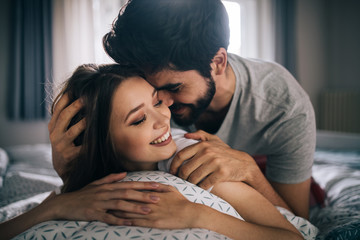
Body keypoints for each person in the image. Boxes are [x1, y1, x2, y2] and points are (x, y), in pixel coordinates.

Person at [50, 0, 316, 219]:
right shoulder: (149, 86)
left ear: (218, 63)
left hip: (269, 174)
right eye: (153, 92)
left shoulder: (285, 108)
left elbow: (298, 221)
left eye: (174, 88)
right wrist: (66, 166)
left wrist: (249, 170)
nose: (163, 104)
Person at [1, 64, 304, 240]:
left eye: (157, 102)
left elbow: (294, 237)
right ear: (103, 144)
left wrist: (197, 214)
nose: (164, 119)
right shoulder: (93, 183)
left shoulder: (191, 158)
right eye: (139, 119)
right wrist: (55, 203)